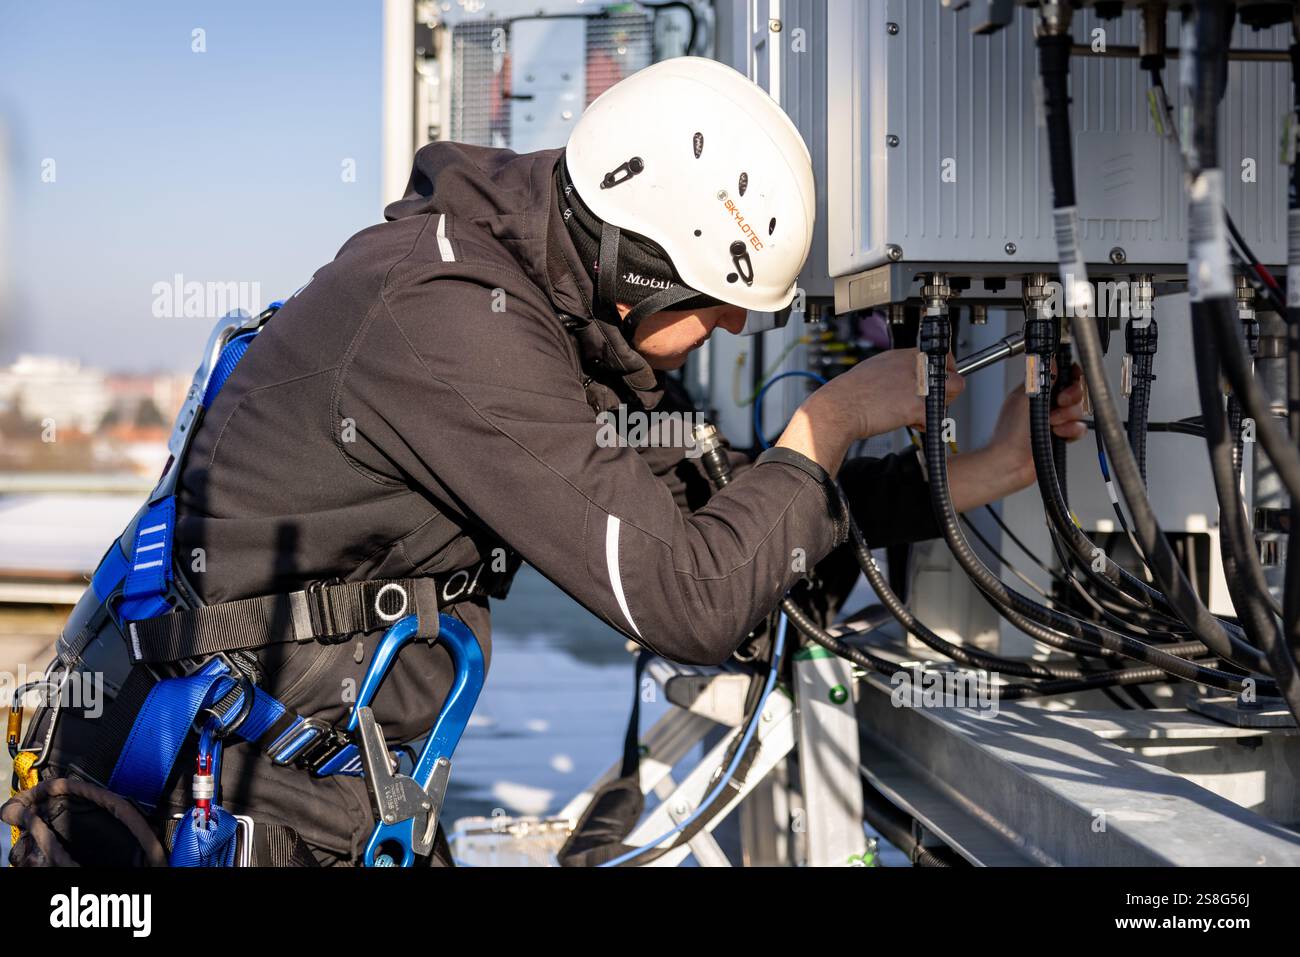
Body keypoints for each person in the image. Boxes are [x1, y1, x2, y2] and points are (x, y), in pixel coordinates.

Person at [8, 57, 1085, 867]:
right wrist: (833, 421)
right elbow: (687, 595)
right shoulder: (452, 325)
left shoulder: (529, 303)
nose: (720, 334)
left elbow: (724, 516)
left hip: (309, 782)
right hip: (205, 801)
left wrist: (983, 470)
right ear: (637, 271)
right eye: (712, 309)